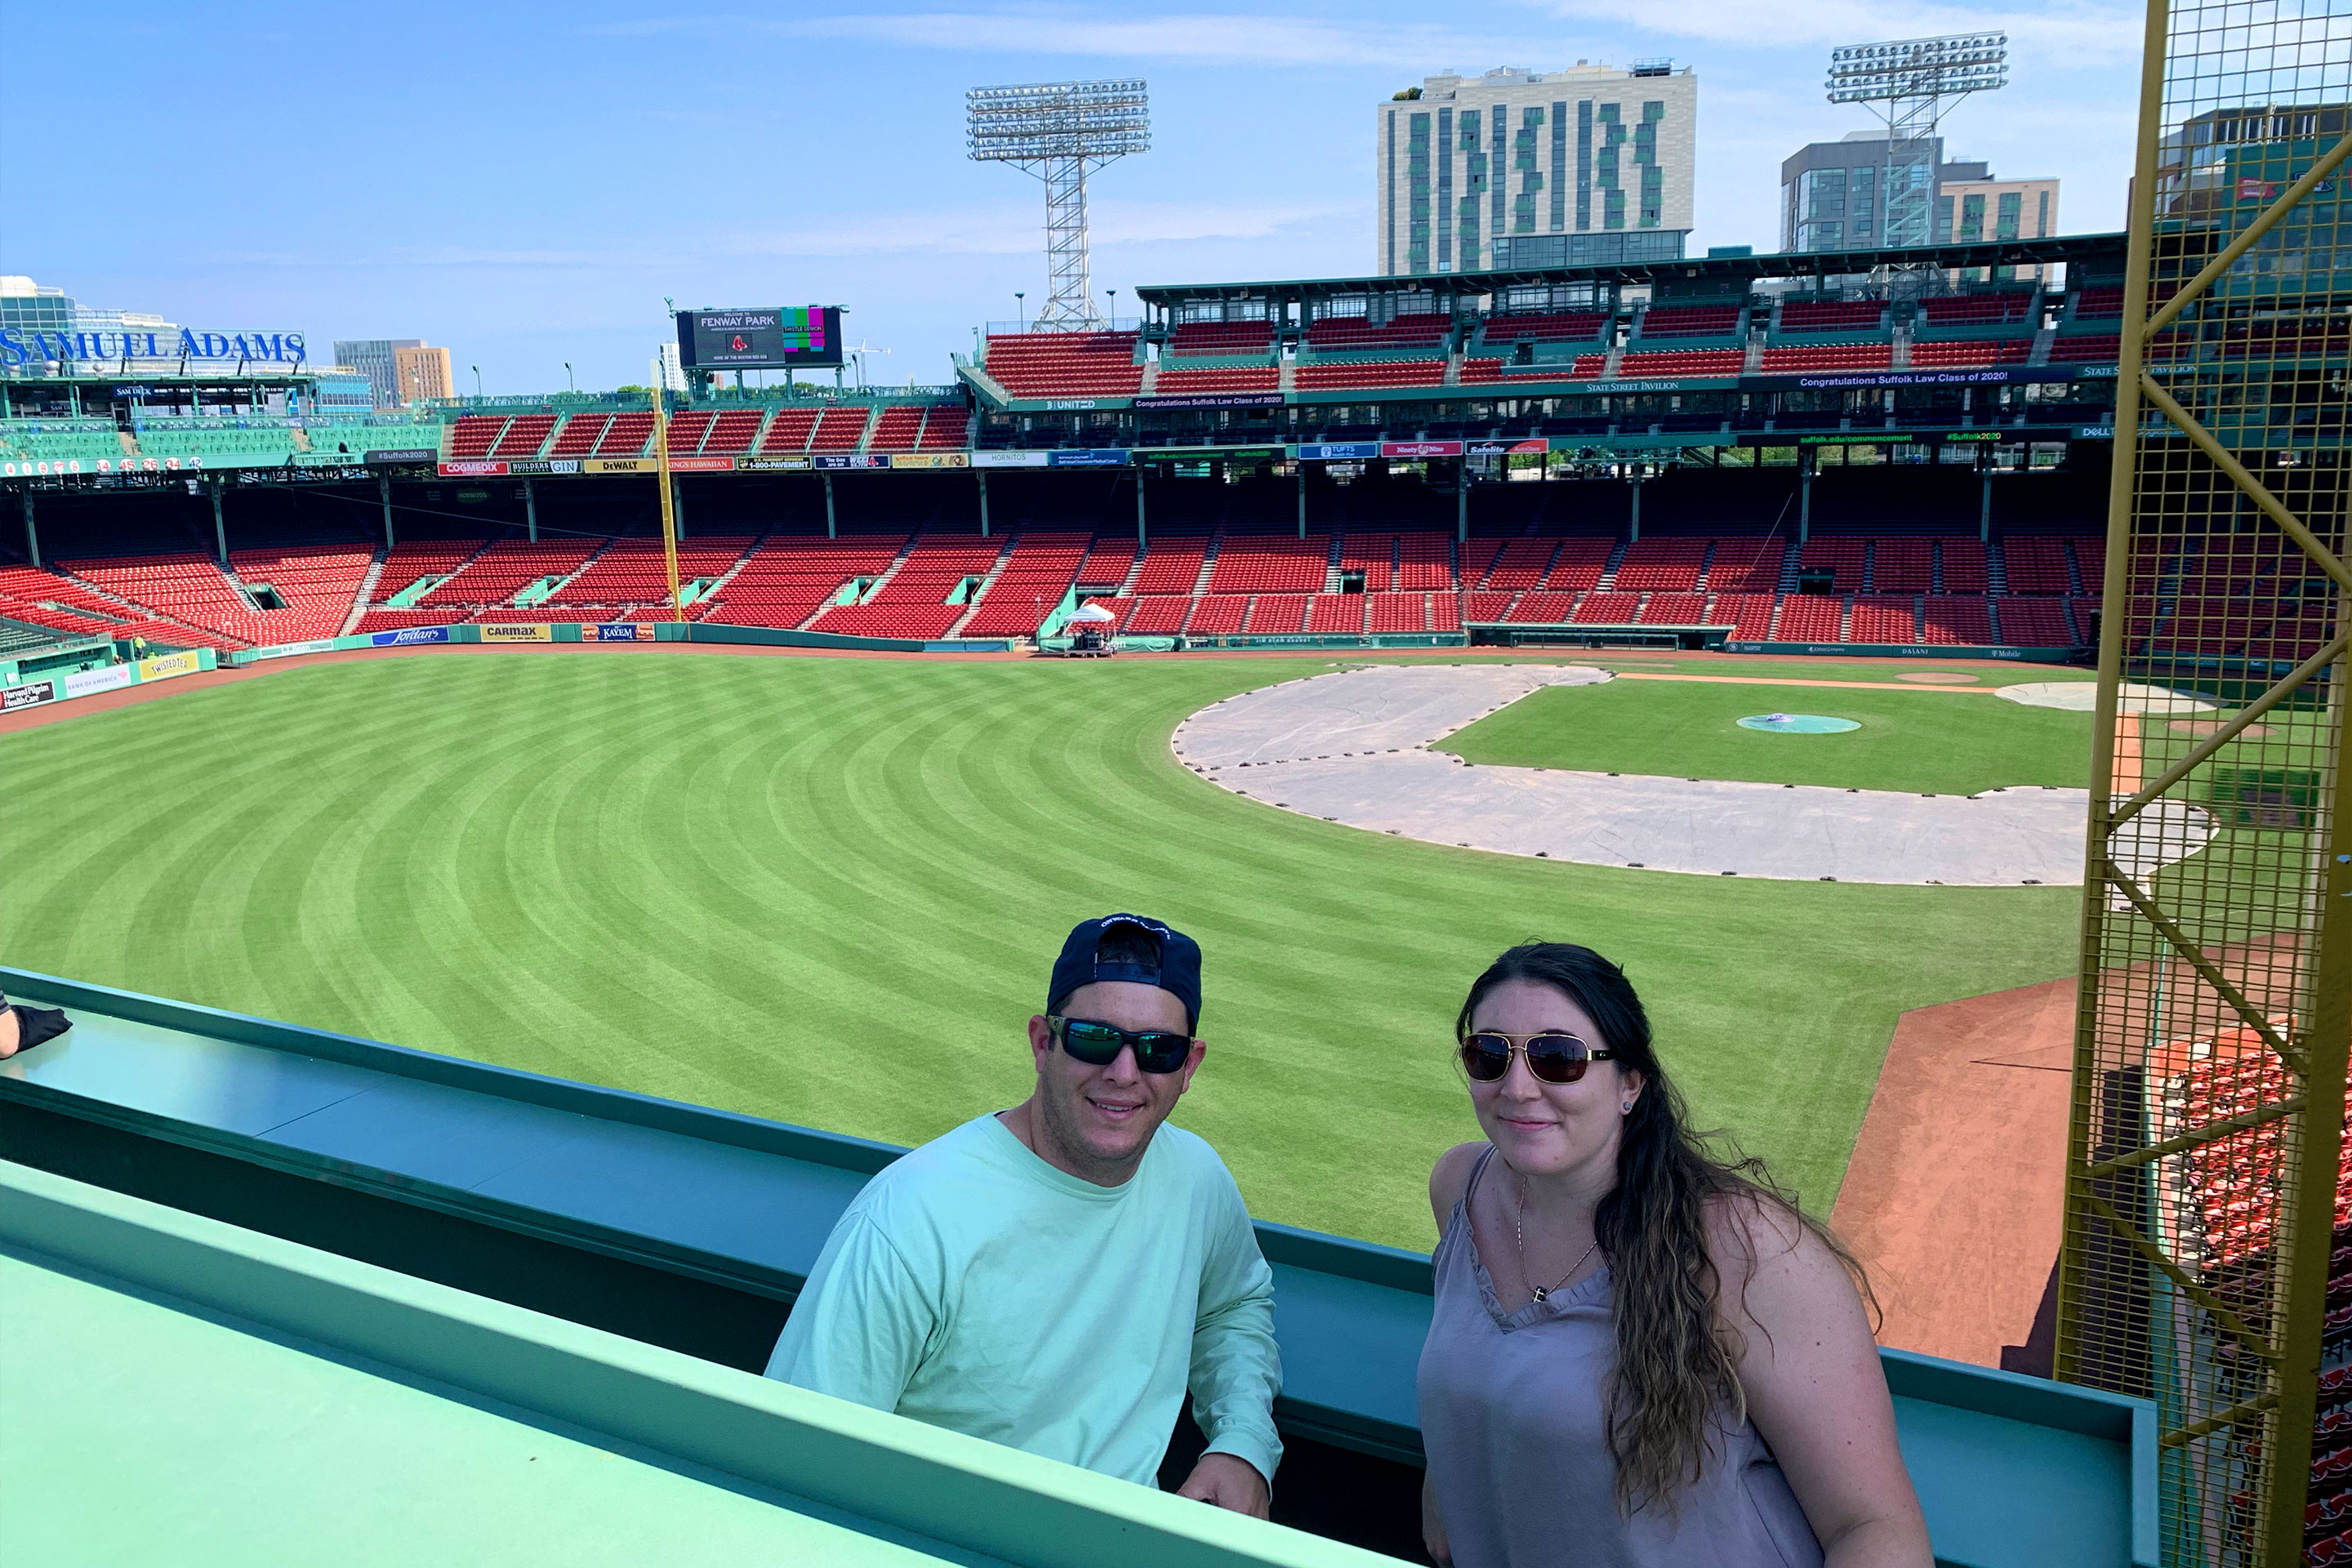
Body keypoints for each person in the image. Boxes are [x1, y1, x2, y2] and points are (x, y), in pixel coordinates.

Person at [1417, 942, 1930, 1568]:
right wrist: (1444, 1478)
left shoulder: (1744, 1249)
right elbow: (1483, 1368)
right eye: (1489, 1053)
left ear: (1630, 1084)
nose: (1518, 1087)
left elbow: (1876, 1529)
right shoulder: (1462, 1189)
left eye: (1558, 1058)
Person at [767, 913, 1281, 1515]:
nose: (1124, 1072)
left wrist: (1244, 1442)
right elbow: (799, 1458)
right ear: (1043, 1043)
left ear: (1188, 1067)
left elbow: (1234, 1306)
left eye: (1157, 1050)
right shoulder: (911, 1219)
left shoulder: (1196, 1179)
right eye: (1094, 1037)